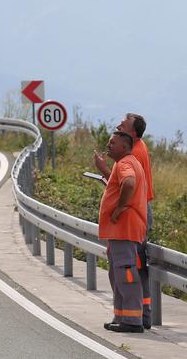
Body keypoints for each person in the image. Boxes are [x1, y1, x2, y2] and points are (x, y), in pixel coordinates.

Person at [94, 113, 155, 328]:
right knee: (119, 273)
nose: (108, 146)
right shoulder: (129, 159)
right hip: (121, 230)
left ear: (125, 144)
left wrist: (120, 207)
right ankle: (122, 317)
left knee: (126, 273)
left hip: (125, 228)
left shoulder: (126, 163)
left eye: (113, 143)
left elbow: (128, 183)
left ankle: (132, 319)